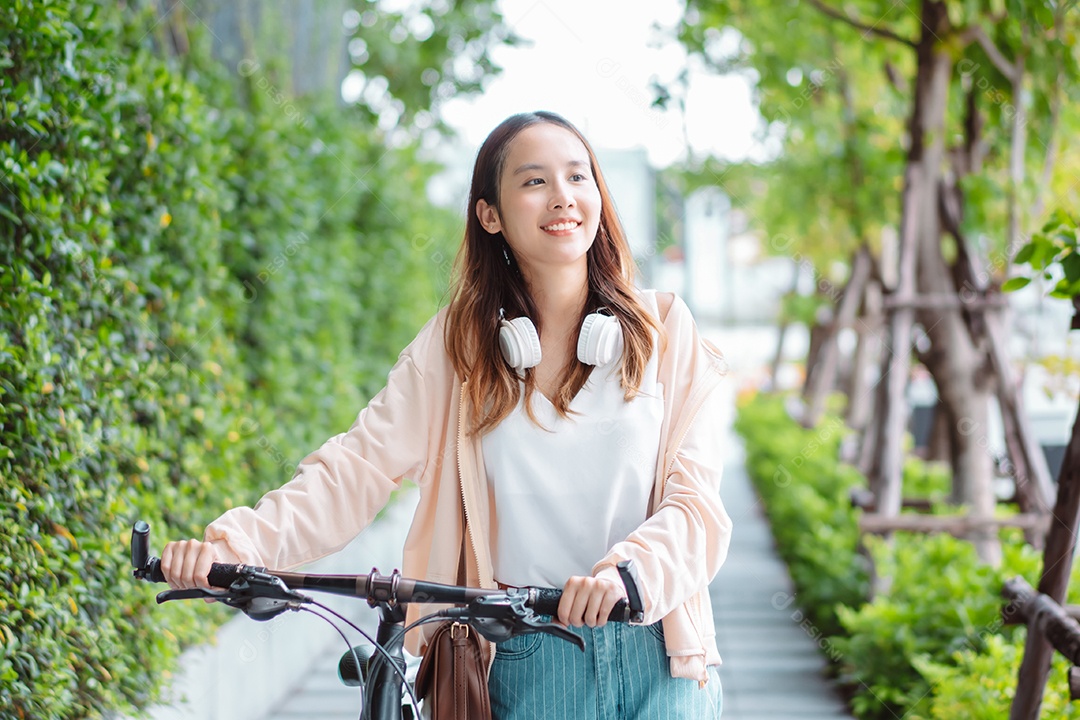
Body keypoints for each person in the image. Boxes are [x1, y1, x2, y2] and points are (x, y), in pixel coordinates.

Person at [161, 110, 732, 719]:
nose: (563, 197)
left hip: (660, 658)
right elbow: (355, 467)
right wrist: (232, 546)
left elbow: (697, 504)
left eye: (578, 176)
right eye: (534, 181)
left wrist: (628, 576)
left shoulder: (664, 331)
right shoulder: (457, 349)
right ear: (490, 214)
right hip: (526, 660)